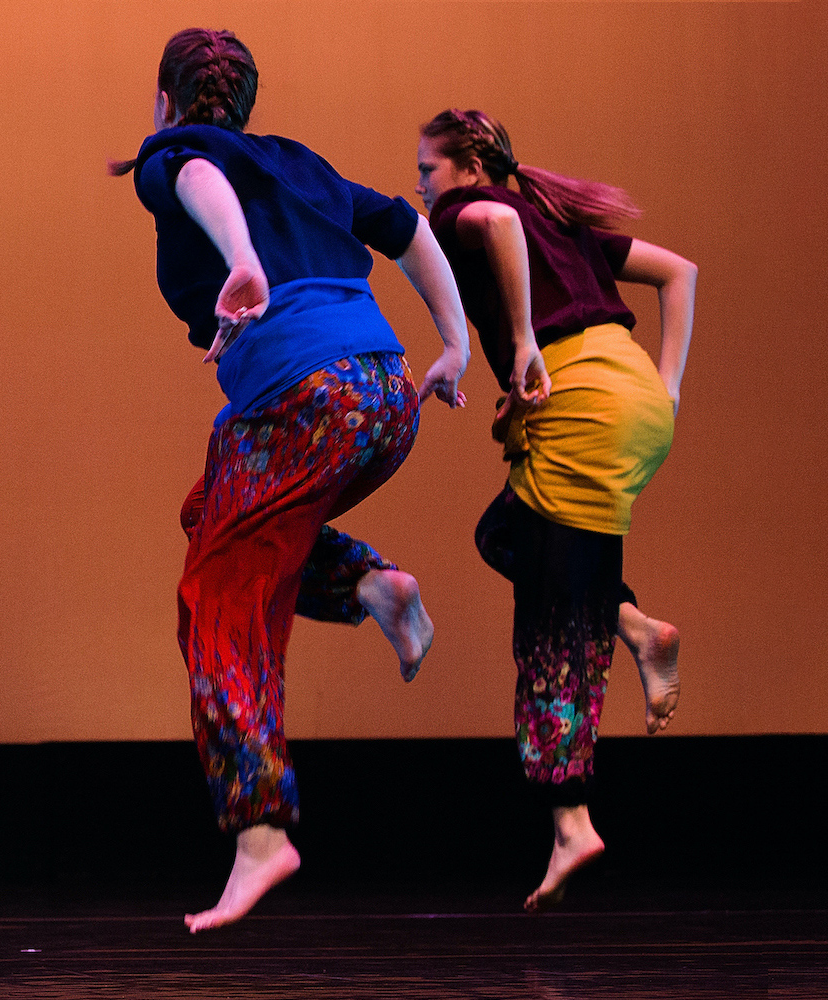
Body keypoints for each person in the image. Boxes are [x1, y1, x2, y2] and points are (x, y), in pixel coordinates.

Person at [113, 29, 475, 932]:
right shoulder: (301, 166)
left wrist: (241, 260)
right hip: (383, 396)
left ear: (166, 102)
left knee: (216, 599)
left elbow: (200, 178)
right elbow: (409, 229)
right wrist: (457, 345)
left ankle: (260, 831)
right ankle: (372, 584)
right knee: (213, 514)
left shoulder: (173, 155)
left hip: (302, 396)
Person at [416, 108, 694, 911]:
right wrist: (666, 388)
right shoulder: (562, 220)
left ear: (467, 163)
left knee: (551, 629)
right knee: (504, 533)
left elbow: (495, 221)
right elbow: (682, 273)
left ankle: (571, 820)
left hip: (578, 401)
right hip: (631, 393)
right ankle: (639, 628)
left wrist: (524, 341)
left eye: (428, 168)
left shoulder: (472, 210)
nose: (421, 184)